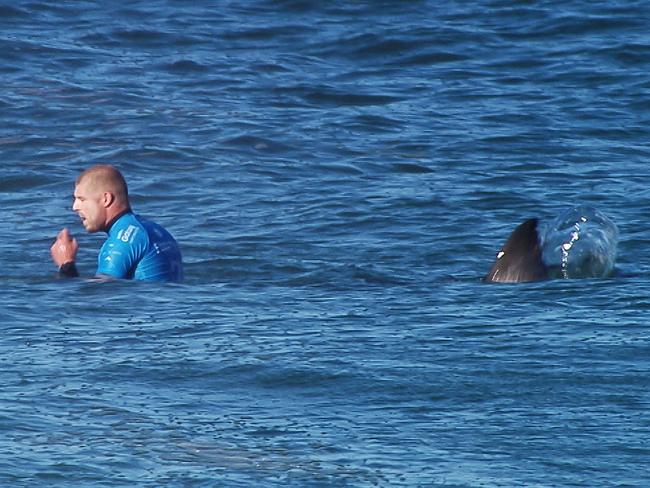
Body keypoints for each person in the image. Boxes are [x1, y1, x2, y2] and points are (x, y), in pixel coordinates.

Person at [51, 164, 183, 282]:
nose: (75, 207)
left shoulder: (121, 241)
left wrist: (66, 264)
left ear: (106, 199)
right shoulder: (155, 230)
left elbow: (97, 296)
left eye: (81, 199)